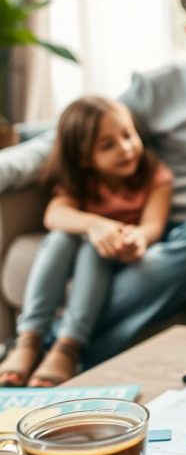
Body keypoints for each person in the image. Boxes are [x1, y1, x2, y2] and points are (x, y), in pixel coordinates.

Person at [0, 0, 186, 365]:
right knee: (92, 248)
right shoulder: (159, 88)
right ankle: (64, 357)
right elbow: (68, 141)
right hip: (150, 227)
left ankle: (51, 347)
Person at [0, 98, 172, 385]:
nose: (126, 148)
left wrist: (137, 239)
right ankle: (28, 339)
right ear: (83, 157)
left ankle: (69, 346)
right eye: (108, 145)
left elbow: (152, 226)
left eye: (128, 135)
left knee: (94, 248)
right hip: (79, 246)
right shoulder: (81, 180)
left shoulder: (155, 175)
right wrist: (96, 225)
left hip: (118, 255)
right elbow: (55, 215)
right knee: (61, 237)